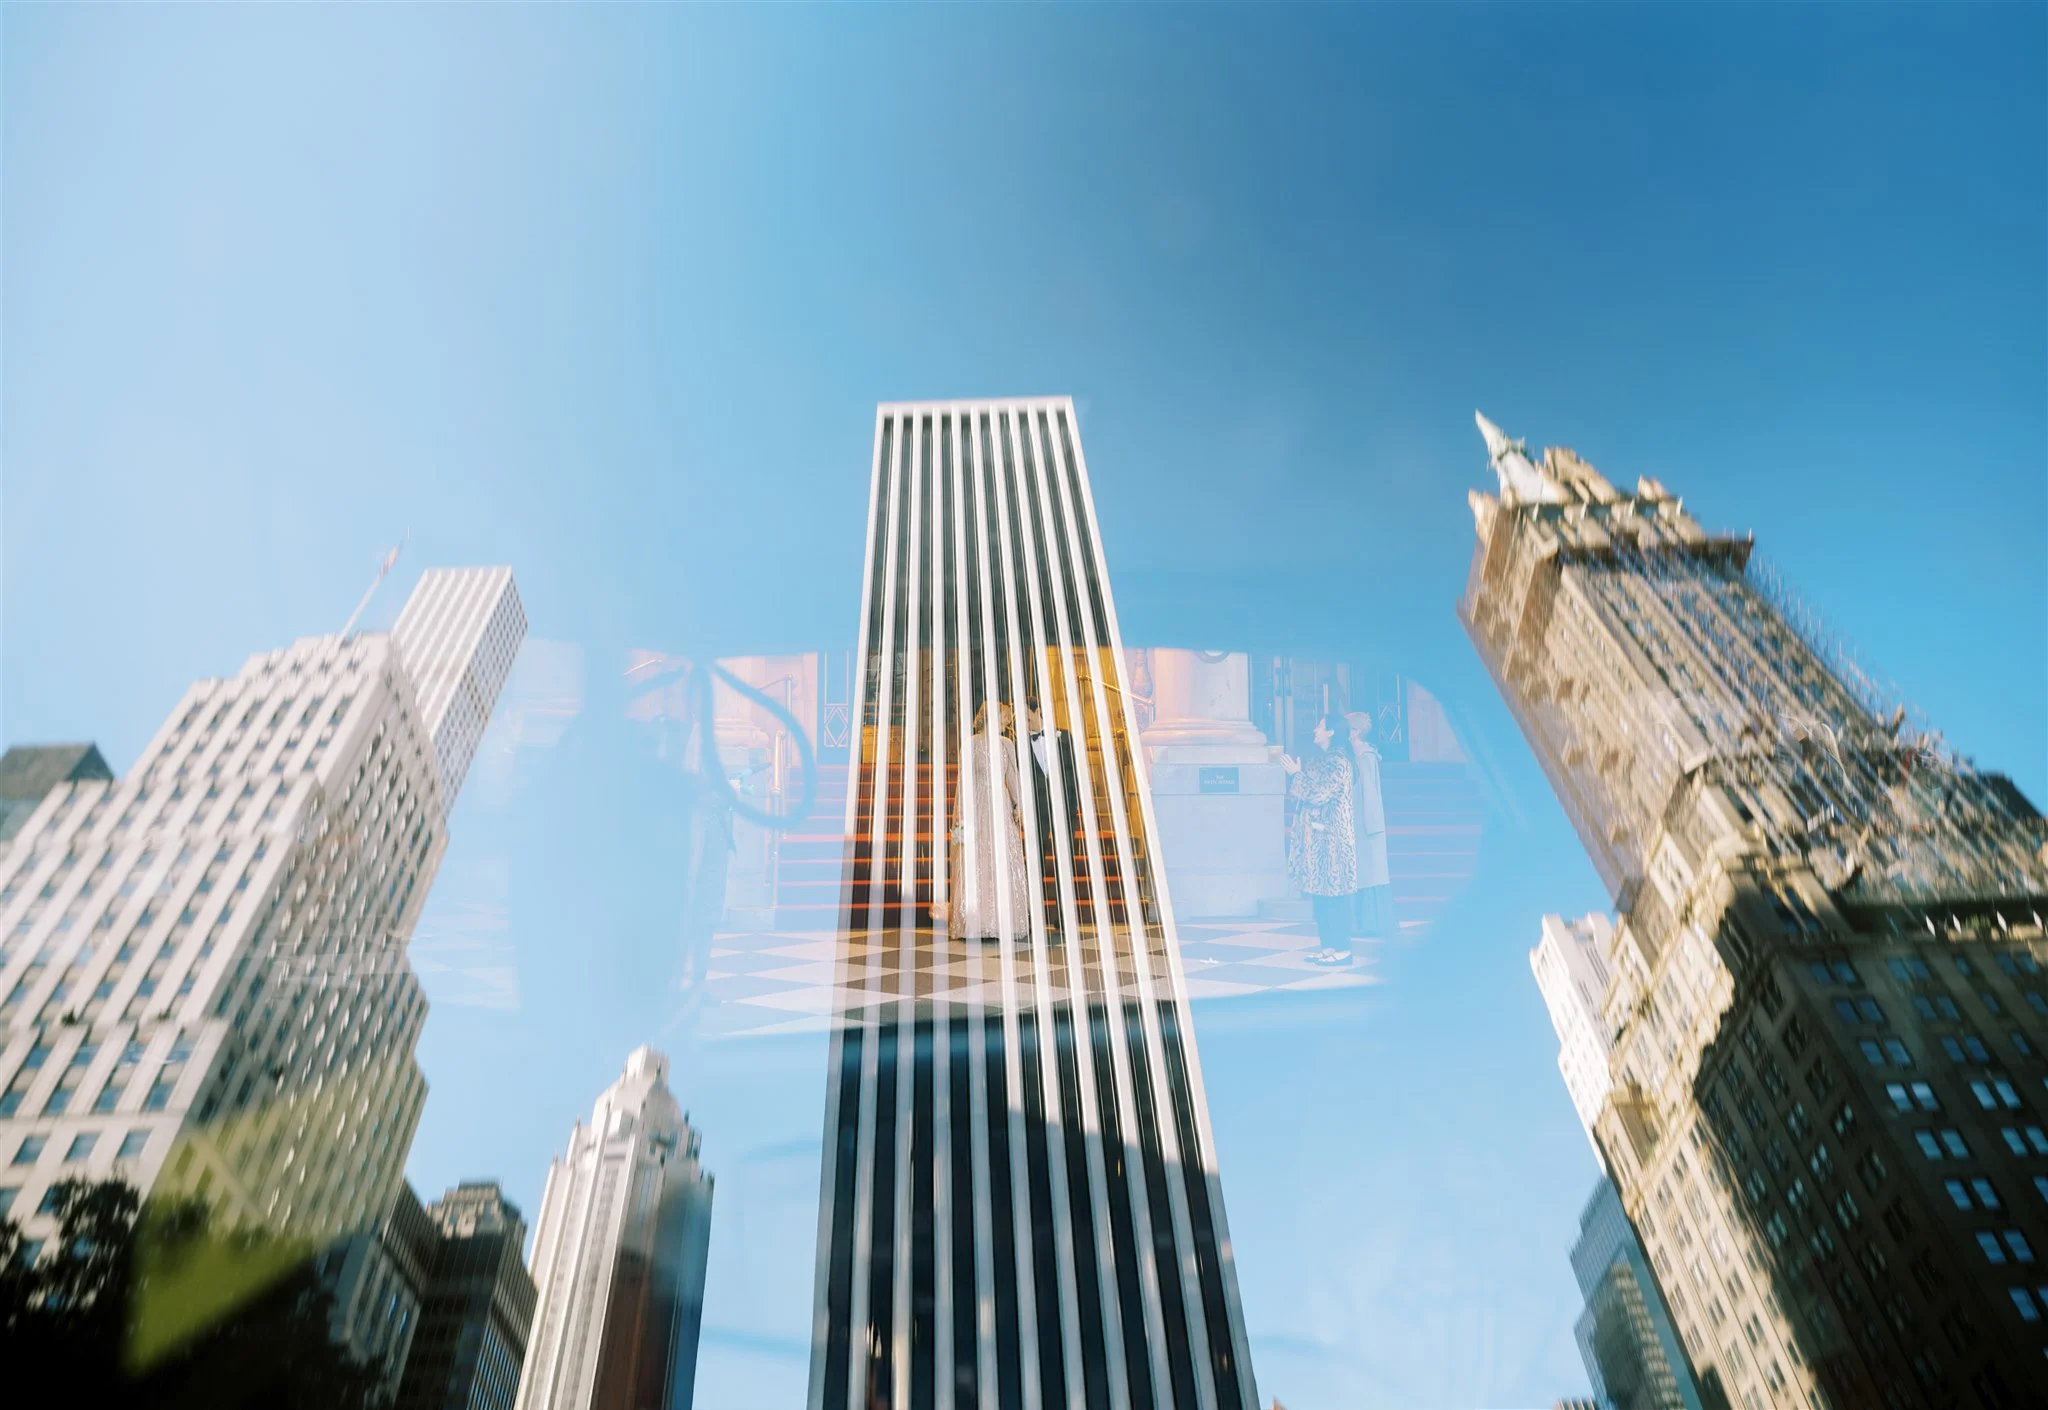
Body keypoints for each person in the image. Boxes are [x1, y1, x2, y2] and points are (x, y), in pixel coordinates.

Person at [942, 701, 1032, 943]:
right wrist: (961, 815)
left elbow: (1013, 777)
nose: (1007, 722)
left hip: (1000, 807)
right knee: (980, 860)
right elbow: (964, 782)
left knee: (1001, 858)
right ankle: (979, 920)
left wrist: (1020, 806)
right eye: (1004, 717)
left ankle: (1003, 920)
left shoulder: (1006, 744)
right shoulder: (971, 744)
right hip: (978, 807)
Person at [1280, 711, 1359, 965]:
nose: (1315, 730)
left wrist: (1296, 774)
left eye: (1320, 726)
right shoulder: (1321, 761)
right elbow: (1306, 793)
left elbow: (1318, 793)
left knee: (1335, 895)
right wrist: (1299, 776)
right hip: (1317, 840)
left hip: (1332, 841)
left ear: (1331, 732)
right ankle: (1328, 947)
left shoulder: (1339, 762)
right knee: (1321, 896)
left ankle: (1343, 949)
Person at [1023, 698, 1083, 942]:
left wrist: (1074, 805)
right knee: (1034, 863)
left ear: (1038, 710)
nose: (1023, 721)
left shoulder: (1065, 737)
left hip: (1064, 809)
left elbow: (1075, 772)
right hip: (1036, 811)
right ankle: (1032, 917)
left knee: (1064, 863)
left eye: (1026, 715)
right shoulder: (1018, 743)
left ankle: (1063, 916)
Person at [1344, 710, 1395, 941]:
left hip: (1365, 821)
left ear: (1354, 732)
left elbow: (1370, 792)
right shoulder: (1357, 754)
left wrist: (1371, 823)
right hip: (1357, 818)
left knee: (1369, 871)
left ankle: (1369, 923)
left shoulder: (1365, 755)